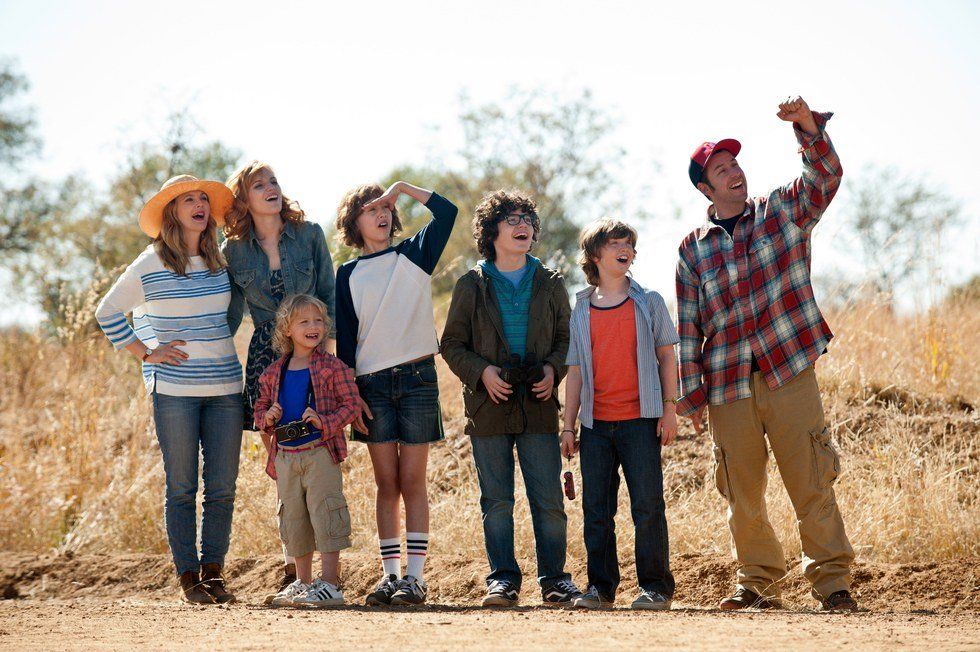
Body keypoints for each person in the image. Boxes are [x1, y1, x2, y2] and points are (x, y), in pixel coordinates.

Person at [676, 96, 857, 611]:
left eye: (735, 163)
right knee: (741, 492)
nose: (735, 172)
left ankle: (833, 584)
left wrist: (807, 129)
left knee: (812, 480)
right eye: (721, 169)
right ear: (705, 188)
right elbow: (688, 327)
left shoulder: (781, 211)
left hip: (789, 371)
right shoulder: (692, 249)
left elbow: (825, 179)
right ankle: (757, 584)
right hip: (727, 385)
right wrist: (691, 395)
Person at [95, 175, 243, 604]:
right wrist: (147, 353)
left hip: (226, 388)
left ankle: (214, 572)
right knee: (181, 486)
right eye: (188, 199)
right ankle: (188, 577)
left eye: (203, 199)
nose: (199, 205)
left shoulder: (220, 258)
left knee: (222, 487)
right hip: (175, 391)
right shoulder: (152, 261)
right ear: (171, 212)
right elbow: (107, 311)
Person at [441, 190, 583, 607]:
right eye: (512, 219)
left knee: (549, 500)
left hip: (539, 403)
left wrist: (553, 370)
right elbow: (452, 344)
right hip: (488, 407)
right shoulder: (471, 285)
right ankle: (502, 580)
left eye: (528, 219)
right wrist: (482, 372)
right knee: (497, 501)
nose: (523, 226)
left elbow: (567, 339)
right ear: (491, 232)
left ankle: (555, 580)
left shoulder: (551, 282)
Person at [334, 181, 458, 606]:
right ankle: (389, 577)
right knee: (386, 483)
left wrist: (402, 187)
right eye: (371, 209)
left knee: (412, 481)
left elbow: (448, 212)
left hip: (418, 379)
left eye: (386, 207)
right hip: (371, 388)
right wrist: (351, 395)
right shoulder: (347, 274)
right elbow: (346, 342)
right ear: (354, 222)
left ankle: (415, 579)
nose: (382, 214)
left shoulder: (414, 255)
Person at [223, 161, 337, 593]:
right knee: (283, 460)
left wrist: (327, 363)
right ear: (244, 199)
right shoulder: (233, 251)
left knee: (317, 455)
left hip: (312, 354)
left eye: (273, 181)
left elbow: (328, 296)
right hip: (265, 362)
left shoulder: (310, 235)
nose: (270, 188)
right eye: (259, 185)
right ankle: (294, 570)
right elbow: (230, 315)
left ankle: (326, 574)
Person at [561, 218, 679, 611]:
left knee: (648, 507)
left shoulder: (650, 302)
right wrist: (568, 426)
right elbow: (576, 369)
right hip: (595, 426)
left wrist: (670, 409)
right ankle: (600, 589)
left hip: (641, 421)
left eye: (628, 242)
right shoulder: (581, 308)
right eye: (615, 243)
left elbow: (667, 356)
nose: (625, 248)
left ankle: (656, 588)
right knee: (596, 511)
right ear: (595, 254)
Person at [253, 295, 359, 607]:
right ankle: (302, 581)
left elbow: (351, 404)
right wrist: (267, 417)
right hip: (285, 456)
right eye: (304, 321)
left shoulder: (332, 367)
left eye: (318, 320)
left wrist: (325, 421)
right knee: (294, 518)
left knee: (326, 513)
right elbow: (258, 411)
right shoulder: (273, 372)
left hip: (319, 452)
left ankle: (330, 584)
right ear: (287, 329)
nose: (314, 326)